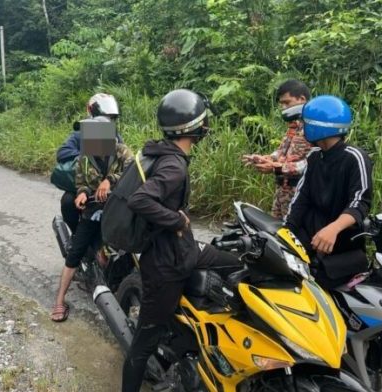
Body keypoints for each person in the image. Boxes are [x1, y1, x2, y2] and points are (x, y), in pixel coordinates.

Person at [121, 89, 241, 392]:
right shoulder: (175, 165)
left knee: (236, 261)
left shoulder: (165, 152)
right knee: (144, 342)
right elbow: (140, 200)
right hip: (165, 264)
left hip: (183, 250)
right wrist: (177, 220)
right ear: (195, 127)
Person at [283, 95, 373, 285]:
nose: (303, 127)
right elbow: (301, 199)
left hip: (341, 249)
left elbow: (360, 202)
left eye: (305, 123)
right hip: (307, 242)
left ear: (316, 126)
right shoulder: (315, 156)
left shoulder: (354, 157)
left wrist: (334, 228)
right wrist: (285, 233)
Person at [50, 115, 133, 322]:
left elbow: (133, 172)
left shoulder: (122, 151)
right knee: (75, 253)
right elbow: (82, 182)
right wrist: (82, 192)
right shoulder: (85, 157)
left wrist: (109, 180)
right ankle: (60, 300)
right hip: (93, 210)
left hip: (118, 208)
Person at [242, 79, 314, 218]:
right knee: (277, 233)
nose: (283, 108)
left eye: (287, 102)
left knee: (294, 236)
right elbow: (282, 152)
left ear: (302, 99)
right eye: (281, 104)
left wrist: (276, 168)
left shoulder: (313, 127)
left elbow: (311, 163)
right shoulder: (293, 126)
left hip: (301, 194)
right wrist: (265, 159)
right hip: (282, 192)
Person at [56, 93, 121, 232]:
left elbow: (126, 160)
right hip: (86, 184)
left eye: (110, 117)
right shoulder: (79, 134)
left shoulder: (115, 135)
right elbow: (62, 153)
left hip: (110, 183)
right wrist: (88, 154)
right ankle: (76, 233)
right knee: (67, 202)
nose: (108, 119)